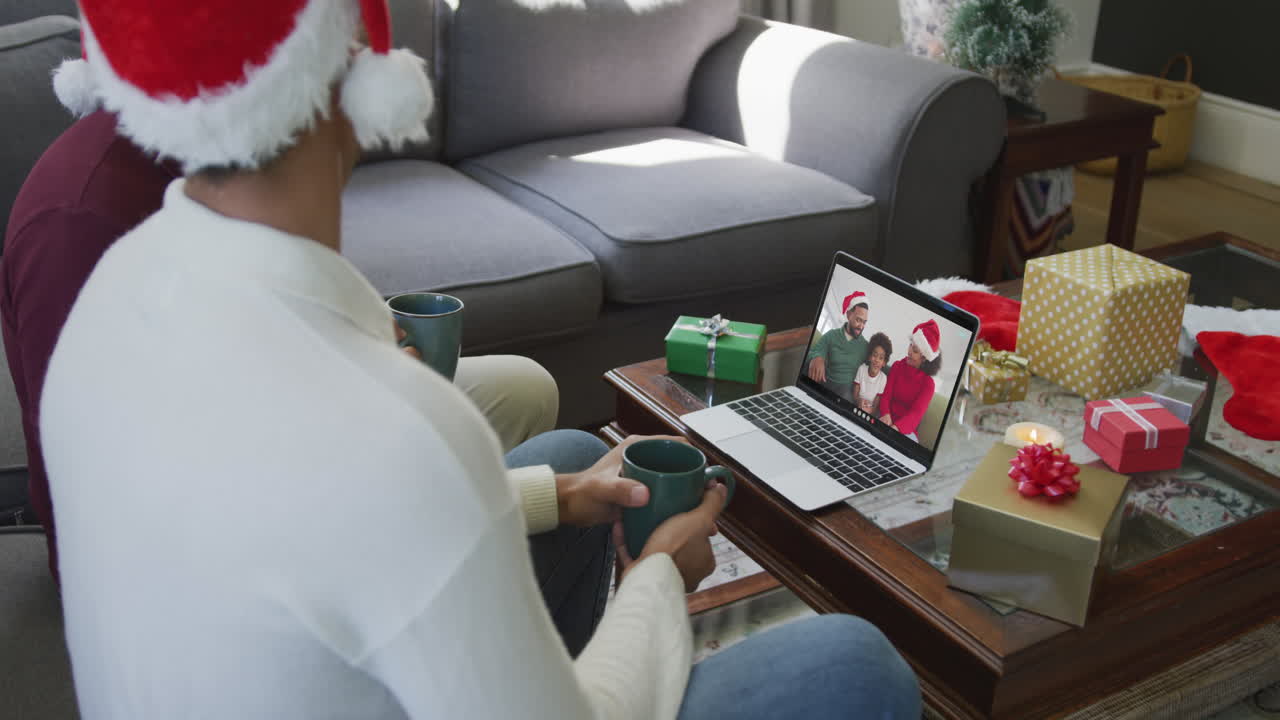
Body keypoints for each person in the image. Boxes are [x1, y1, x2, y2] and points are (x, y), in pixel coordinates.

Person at [38, 2, 922, 718]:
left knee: (574, 464)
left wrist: (552, 497)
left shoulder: (109, 297)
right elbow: (368, 501)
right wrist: (657, 581)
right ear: (351, 63)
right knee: (856, 662)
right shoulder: (399, 438)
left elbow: (285, 521)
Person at [1, 110, 557, 584]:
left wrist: (343, 339)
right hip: (169, 558)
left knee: (525, 389)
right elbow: (129, 493)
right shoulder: (81, 222)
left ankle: (472, 555)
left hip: (261, 441)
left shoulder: (216, 151)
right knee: (568, 469)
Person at [879, 320, 943, 441]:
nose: (909, 351)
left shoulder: (928, 384)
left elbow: (916, 415)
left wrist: (896, 428)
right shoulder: (897, 366)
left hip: (905, 430)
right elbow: (886, 395)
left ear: (924, 358)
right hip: (885, 420)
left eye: (915, 350)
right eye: (910, 345)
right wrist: (885, 414)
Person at [806, 290, 870, 402]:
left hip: (844, 394)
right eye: (858, 320)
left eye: (864, 322)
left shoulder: (865, 347)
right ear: (849, 314)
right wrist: (817, 357)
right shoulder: (832, 335)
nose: (861, 326)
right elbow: (815, 350)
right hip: (825, 383)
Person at [854, 332, 893, 416]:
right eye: (875, 355)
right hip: (858, 403)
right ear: (869, 357)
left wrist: (871, 411)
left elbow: (877, 401)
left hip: (871, 409)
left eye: (881, 358)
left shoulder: (883, 378)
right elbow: (855, 392)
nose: (877, 360)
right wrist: (858, 401)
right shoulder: (862, 369)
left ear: (884, 363)